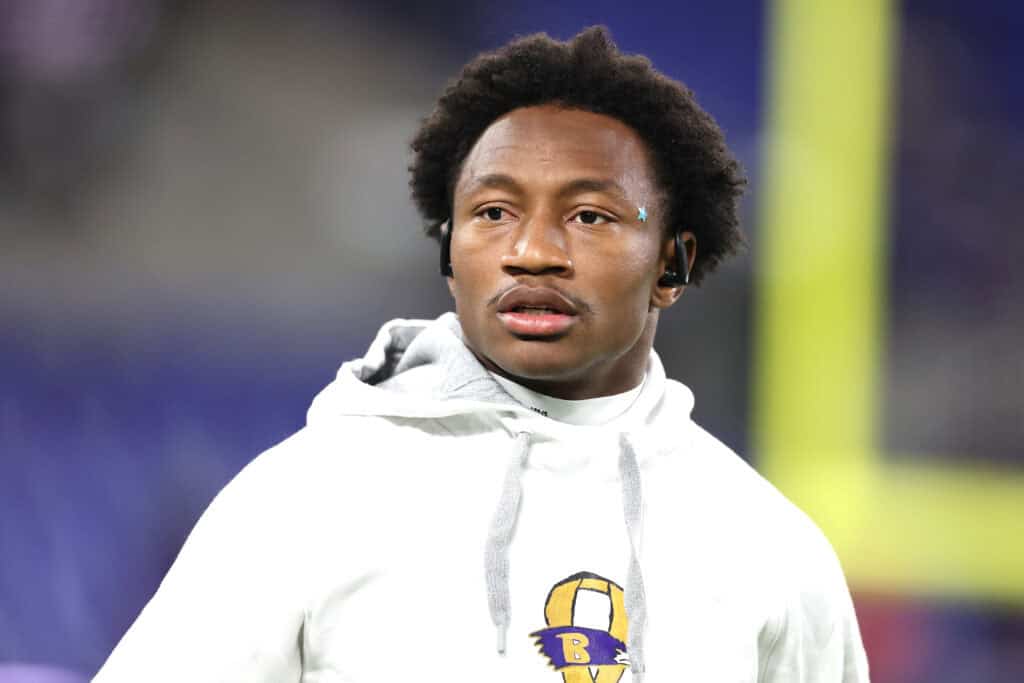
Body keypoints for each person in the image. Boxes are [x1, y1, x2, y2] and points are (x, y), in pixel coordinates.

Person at [96, 26, 869, 682]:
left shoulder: (770, 552)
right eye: (493, 212)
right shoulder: (306, 499)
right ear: (448, 252)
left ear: (672, 263)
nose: (532, 251)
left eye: (590, 215)